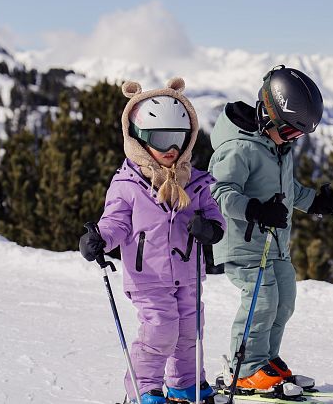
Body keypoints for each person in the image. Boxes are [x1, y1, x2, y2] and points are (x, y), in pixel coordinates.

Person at [79, 77, 226, 404]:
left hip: (188, 275)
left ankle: (185, 384)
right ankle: (144, 390)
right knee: (160, 331)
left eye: (178, 138)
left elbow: (215, 218)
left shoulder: (197, 183)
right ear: (139, 139)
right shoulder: (127, 185)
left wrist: (210, 230)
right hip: (148, 278)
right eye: (161, 138)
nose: (171, 148)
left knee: (189, 333)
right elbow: (115, 222)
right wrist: (100, 238)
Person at [208, 65, 333, 392]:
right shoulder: (238, 148)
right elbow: (219, 192)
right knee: (262, 301)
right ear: (268, 116)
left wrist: (317, 203)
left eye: (298, 136)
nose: (292, 140)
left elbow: (289, 191)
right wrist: (254, 210)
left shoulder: (277, 148)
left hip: (274, 243)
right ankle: (244, 369)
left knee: (285, 299)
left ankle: (266, 361)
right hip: (242, 243)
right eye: (289, 133)